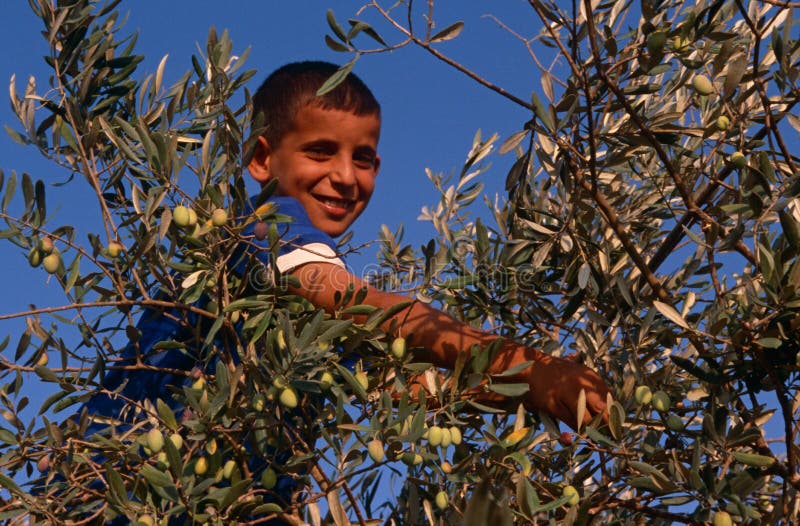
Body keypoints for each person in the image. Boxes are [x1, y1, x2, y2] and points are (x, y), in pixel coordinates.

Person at [78, 60, 609, 522]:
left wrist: (538, 397)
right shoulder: (261, 228)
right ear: (263, 160)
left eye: (363, 158)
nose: (345, 176)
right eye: (320, 150)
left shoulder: (307, 319)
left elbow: (410, 391)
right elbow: (353, 302)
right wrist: (526, 366)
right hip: (121, 497)